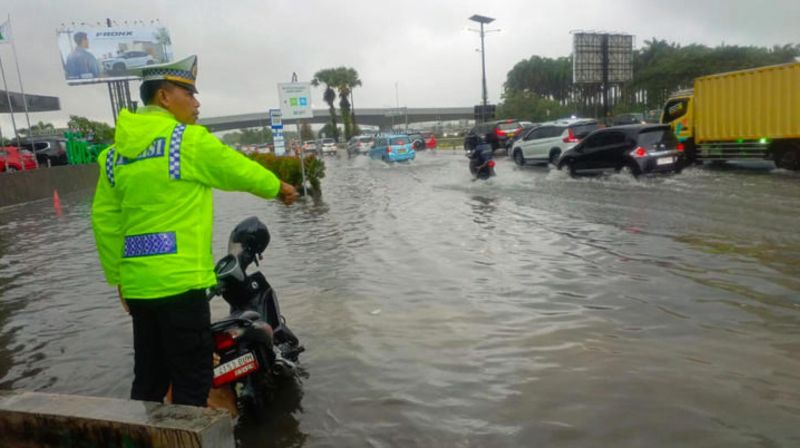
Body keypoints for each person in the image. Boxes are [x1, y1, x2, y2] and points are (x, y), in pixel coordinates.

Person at [91, 55, 299, 407]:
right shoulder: (185, 142)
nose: (196, 102)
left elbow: (106, 223)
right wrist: (279, 188)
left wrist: (119, 281)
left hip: (139, 288)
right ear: (164, 97)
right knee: (192, 380)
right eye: (188, 92)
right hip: (182, 285)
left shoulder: (113, 156)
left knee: (149, 379)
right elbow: (237, 169)